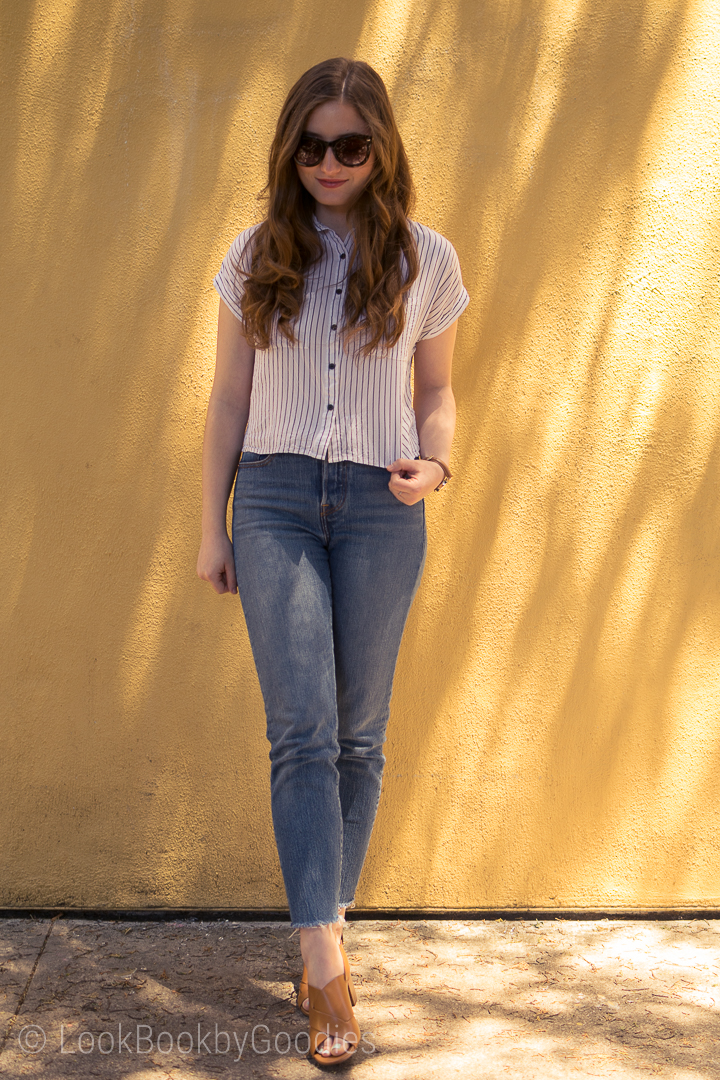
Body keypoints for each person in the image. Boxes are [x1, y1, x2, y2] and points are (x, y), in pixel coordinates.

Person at [197, 56, 469, 1065]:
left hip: (379, 508)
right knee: (301, 730)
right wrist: (211, 525)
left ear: (381, 148)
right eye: (312, 146)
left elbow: (437, 390)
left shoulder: (424, 261)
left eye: (350, 146)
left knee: (360, 737)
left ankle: (325, 920)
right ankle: (324, 969)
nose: (329, 164)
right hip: (270, 500)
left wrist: (436, 464)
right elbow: (227, 400)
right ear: (291, 149)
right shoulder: (254, 253)